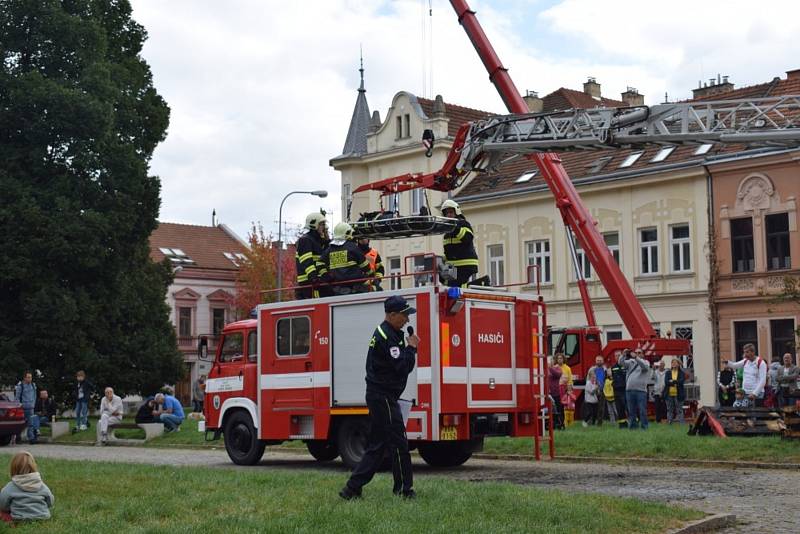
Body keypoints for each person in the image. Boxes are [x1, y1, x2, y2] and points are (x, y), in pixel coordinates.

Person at [340, 296, 419, 500]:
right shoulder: (386, 336)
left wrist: (408, 348)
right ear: (392, 315)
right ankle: (404, 491)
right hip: (382, 396)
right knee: (399, 444)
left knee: (378, 445)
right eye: (404, 315)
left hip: (383, 396)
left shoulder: (392, 333)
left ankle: (352, 488)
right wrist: (411, 349)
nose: (407, 320)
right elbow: (402, 367)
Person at [0, 452, 54, 523]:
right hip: (43, 517)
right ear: (34, 467)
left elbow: (3, 505)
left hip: (19, 519)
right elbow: (50, 502)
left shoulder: (10, 487)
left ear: (13, 468)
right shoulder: (42, 485)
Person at [320, 222, 372, 295]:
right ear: (347, 233)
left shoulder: (329, 249)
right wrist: (371, 274)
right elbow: (364, 265)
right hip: (356, 286)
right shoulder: (352, 247)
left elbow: (320, 262)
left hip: (338, 288)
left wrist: (325, 275)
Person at [441, 199, 479, 287]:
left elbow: (468, 238)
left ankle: (470, 289)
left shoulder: (463, 224)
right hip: (453, 266)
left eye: (451, 212)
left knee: (458, 287)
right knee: (446, 284)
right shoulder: (447, 232)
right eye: (447, 213)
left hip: (466, 264)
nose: (448, 215)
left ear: (456, 212)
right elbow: (449, 251)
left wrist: (455, 228)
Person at [295, 211, 329, 299]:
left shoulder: (318, 241)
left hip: (317, 282)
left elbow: (320, 261)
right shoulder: (305, 240)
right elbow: (307, 262)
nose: (324, 227)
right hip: (309, 283)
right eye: (322, 224)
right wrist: (314, 278)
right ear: (314, 225)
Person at [622, 349, 651, 430]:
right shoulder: (630, 362)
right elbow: (621, 363)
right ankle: (633, 427)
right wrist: (623, 355)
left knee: (642, 410)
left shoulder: (646, 362)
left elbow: (644, 367)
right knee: (631, 411)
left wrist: (636, 358)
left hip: (641, 391)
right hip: (629, 390)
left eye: (639, 353)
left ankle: (644, 427)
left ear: (643, 354)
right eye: (636, 352)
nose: (637, 354)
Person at [14, 372, 37, 444]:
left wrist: (33, 403)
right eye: (28, 377)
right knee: (20, 423)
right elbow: (17, 397)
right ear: (25, 378)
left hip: (31, 407)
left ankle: (31, 438)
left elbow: (34, 395)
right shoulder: (20, 386)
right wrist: (19, 405)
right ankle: (18, 437)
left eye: (31, 377)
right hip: (22, 407)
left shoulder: (33, 385)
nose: (30, 379)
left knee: (31, 423)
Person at [663, 358, 686, 424]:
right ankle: (670, 422)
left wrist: (672, 381)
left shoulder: (681, 373)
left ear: (679, 364)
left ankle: (681, 423)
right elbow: (666, 382)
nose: (673, 364)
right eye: (672, 362)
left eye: (675, 362)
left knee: (679, 409)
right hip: (669, 394)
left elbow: (681, 382)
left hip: (678, 394)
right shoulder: (668, 372)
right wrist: (675, 382)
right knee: (670, 409)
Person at [586, 356, 607, 425]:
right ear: (595, 361)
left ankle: (599, 423)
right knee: (592, 408)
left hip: (602, 390)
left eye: (600, 360)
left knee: (601, 408)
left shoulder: (605, 369)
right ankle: (591, 422)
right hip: (593, 391)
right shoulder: (592, 369)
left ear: (603, 361)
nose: (599, 361)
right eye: (598, 360)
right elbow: (588, 380)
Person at [611, 352, 628, 427]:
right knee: (619, 408)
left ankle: (633, 423)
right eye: (616, 356)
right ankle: (622, 424)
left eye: (619, 355)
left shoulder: (626, 365)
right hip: (617, 390)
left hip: (625, 389)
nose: (617, 357)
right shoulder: (613, 367)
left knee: (628, 407)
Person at [548, 358, 564, 430]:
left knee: (557, 409)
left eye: (550, 360)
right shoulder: (544, 369)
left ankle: (560, 423)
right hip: (547, 393)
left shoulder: (557, 368)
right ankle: (551, 424)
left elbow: (558, 375)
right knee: (549, 410)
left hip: (555, 393)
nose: (549, 362)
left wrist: (550, 368)